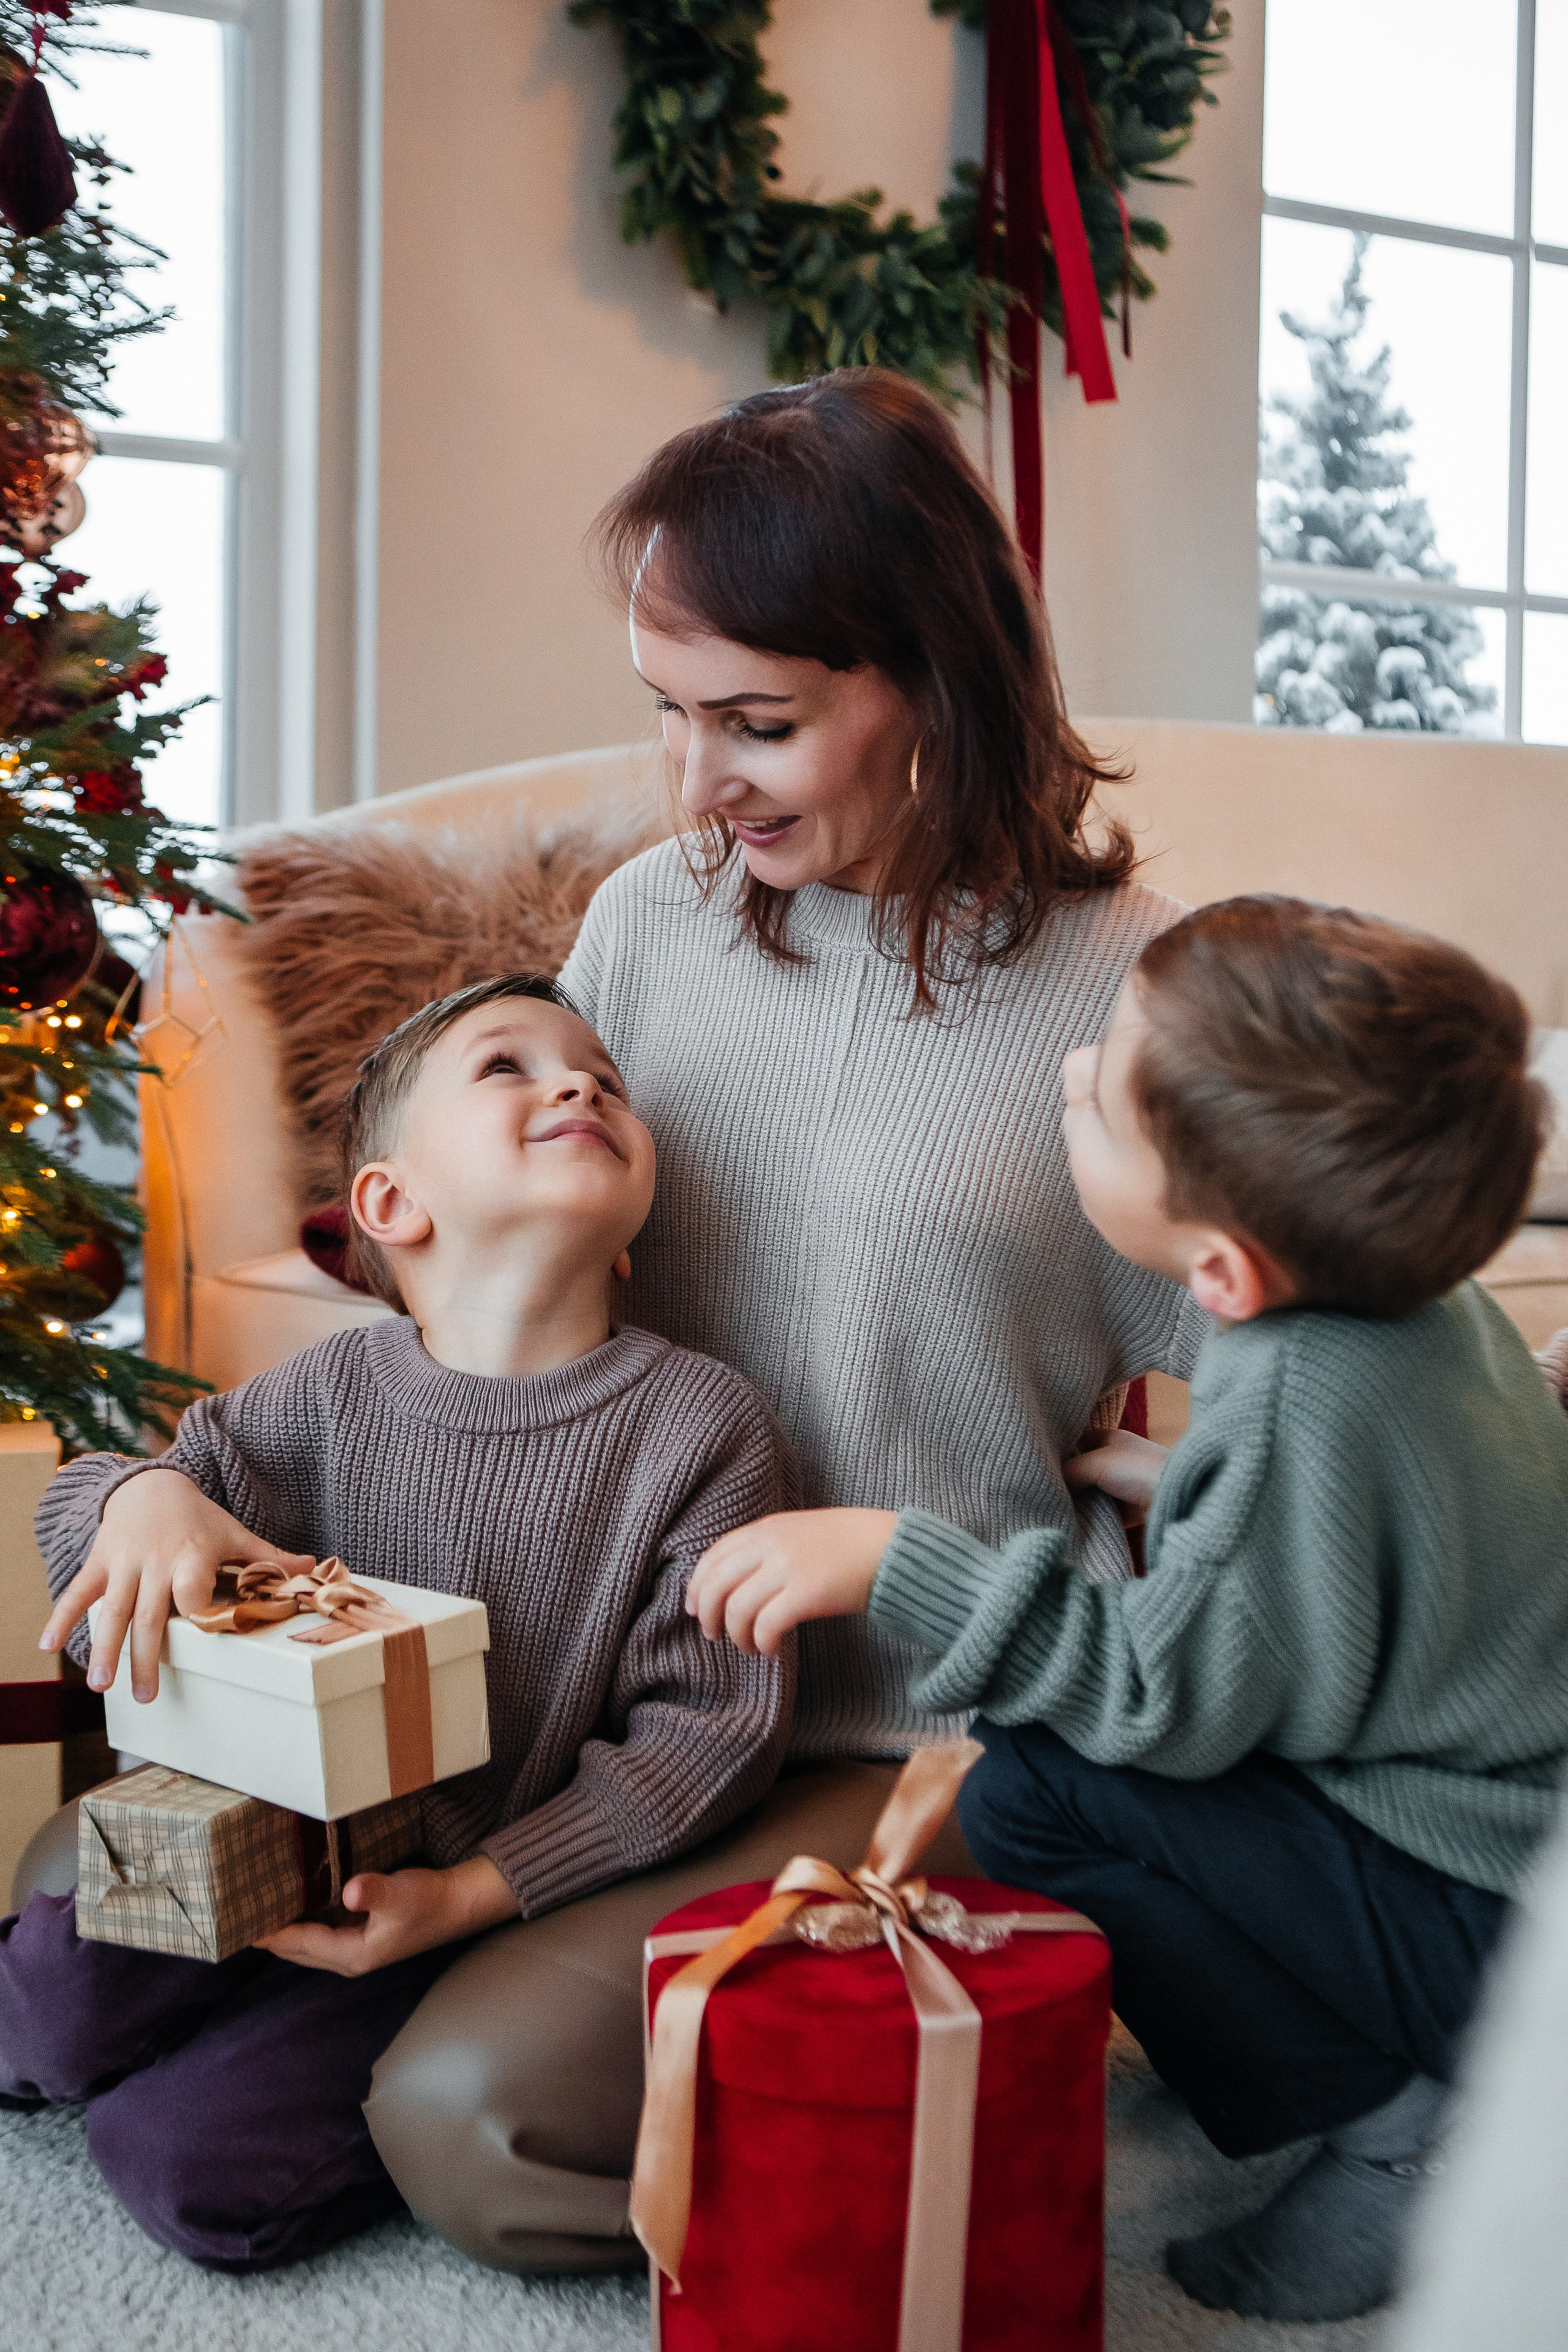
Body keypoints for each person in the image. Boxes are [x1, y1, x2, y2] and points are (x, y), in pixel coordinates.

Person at [347, 366, 1210, 2271]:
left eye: (760, 725)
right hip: (610, 1709)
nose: (694, 785)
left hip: (917, 1741)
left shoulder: (1135, 985)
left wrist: (1160, 1464)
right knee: (232, 1982)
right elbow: (484, 1292)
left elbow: (1297, 1381)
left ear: (936, 681)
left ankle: (964, 2129)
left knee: (462, 2124)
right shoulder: (647, 926)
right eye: (670, 717)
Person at [688, 895, 1568, 2325]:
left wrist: (896, 1557)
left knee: (1043, 1778)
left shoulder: (1284, 1384)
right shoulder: (1428, 1308)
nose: (1064, 1078)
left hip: (1496, 1935)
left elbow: (1166, 1702)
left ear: (1220, 1270)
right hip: (1525, 1850)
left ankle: (1403, 2126)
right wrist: (1195, 1490)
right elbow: (1396, 1536)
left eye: (1103, 1093)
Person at [0, 973, 794, 2271]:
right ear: (390, 1203)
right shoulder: (320, 1393)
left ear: (633, 1232)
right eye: (507, 1068)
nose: (580, 1084)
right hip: (235, 1837)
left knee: (190, 2173)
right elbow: (97, 1509)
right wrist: (139, 1496)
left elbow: (705, 1735)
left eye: (604, 1077)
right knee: (35, 2021)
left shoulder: (704, 1428)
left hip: (441, 1903)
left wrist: (467, 1899)